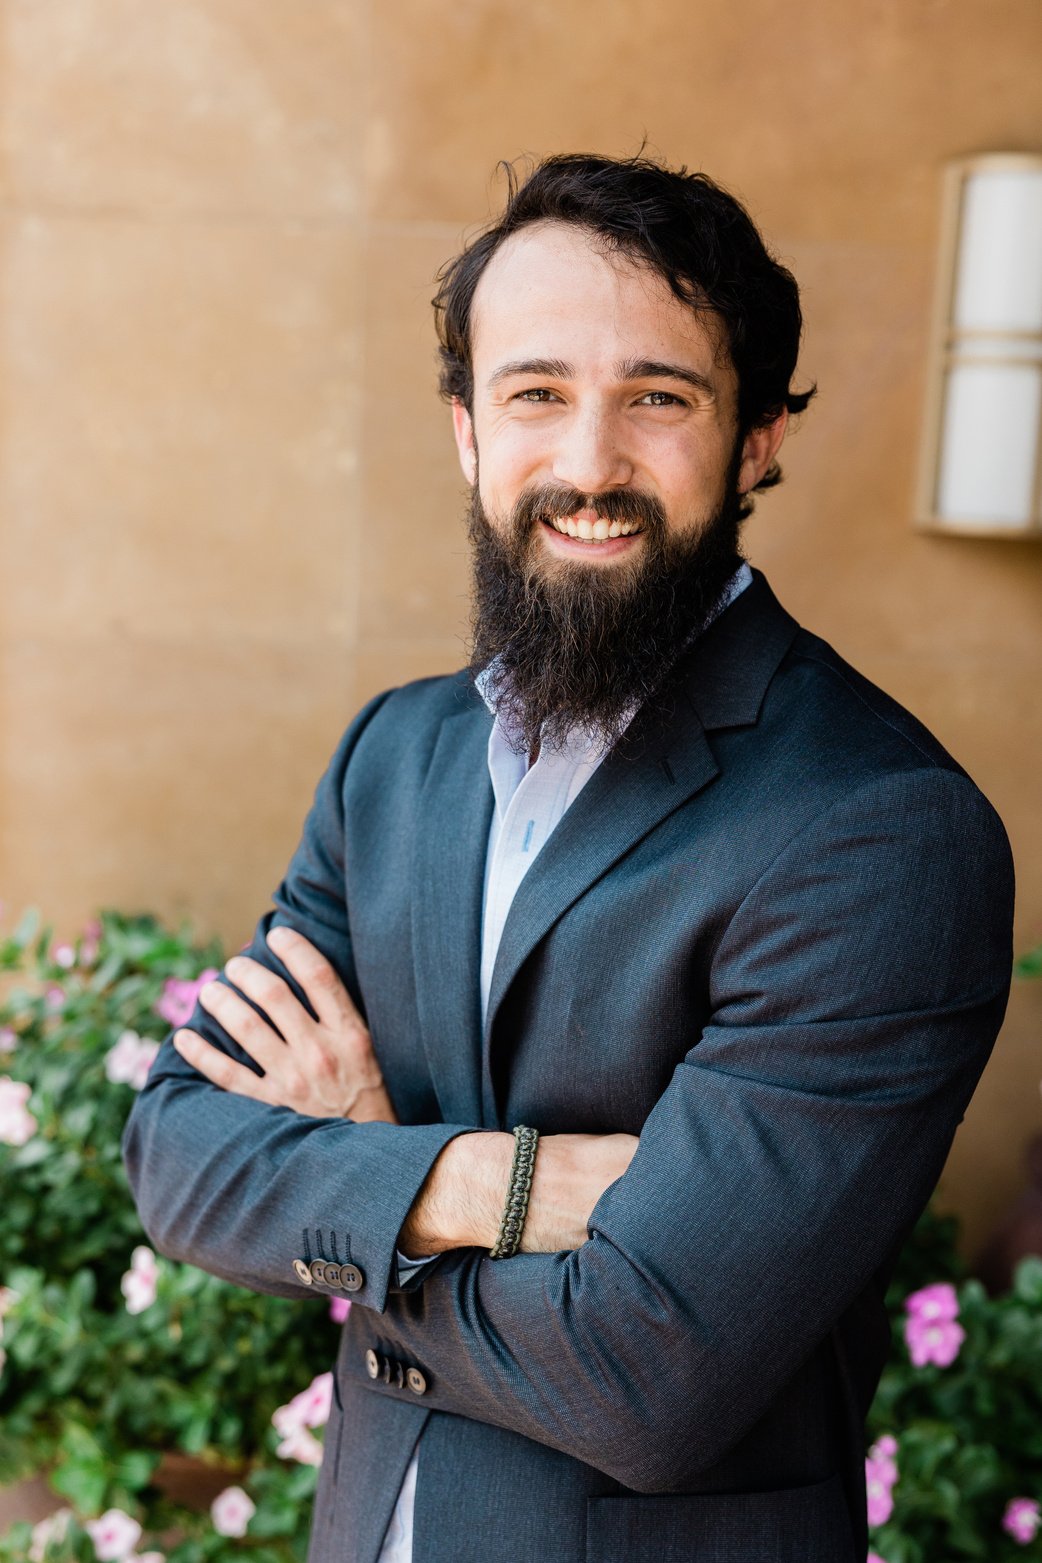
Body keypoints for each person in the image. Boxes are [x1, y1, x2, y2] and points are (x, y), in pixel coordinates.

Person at [122, 153, 1015, 1563]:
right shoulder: (394, 757)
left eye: (657, 398)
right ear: (467, 427)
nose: (588, 464)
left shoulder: (880, 830)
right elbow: (177, 1157)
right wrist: (491, 1188)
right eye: (535, 392)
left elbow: (645, 1375)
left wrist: (350, 1183)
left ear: (760, 436)